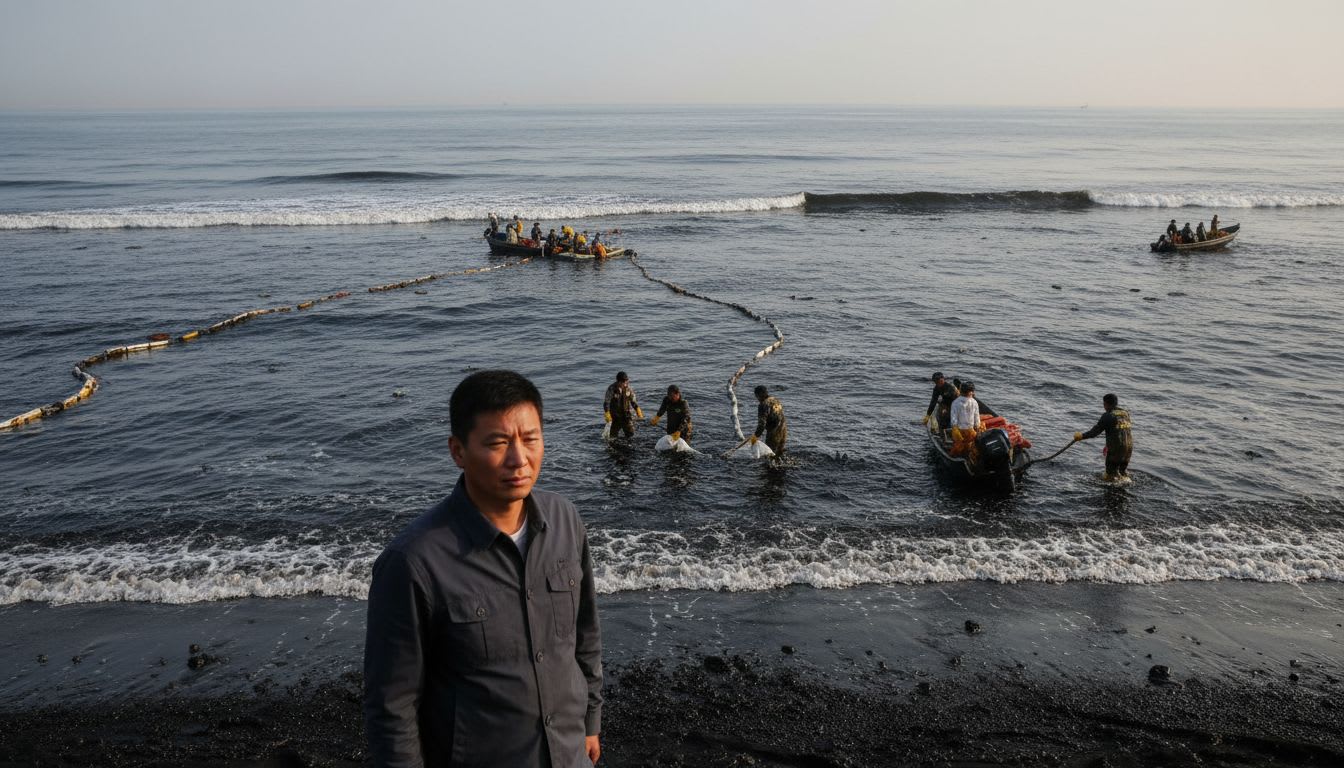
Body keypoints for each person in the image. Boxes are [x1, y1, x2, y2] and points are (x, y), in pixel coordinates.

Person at [364, 370, 603, 767]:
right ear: (457, 451)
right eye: (497, 443)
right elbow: (392, 703)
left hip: (568, 753)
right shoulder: (413, 562)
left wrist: (590, 719)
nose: (519, 459)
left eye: (530, 439)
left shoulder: (565, 521)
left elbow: (585, 632)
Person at [1074, 392, 1133, 481]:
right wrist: (1108, 445)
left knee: (1110, 474)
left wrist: (1081, 436)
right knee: (1122, 472)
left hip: (1116, 450)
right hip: (1129, 448)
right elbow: (1119, 430)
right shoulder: (1125, 413)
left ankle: (1111, 490)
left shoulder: (1108, 415)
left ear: (1105, 404)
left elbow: (1094, 432)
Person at [603, 371, 642, 438]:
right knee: (613, 437)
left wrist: (637, 410)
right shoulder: (611, 389)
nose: (625, 385)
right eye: (623, 383)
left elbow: (633, 401)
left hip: (626, 415)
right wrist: (607, 413)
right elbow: (606, 402)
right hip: (615, 417)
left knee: (630, 434)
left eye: (626, 382)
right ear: (618, 382)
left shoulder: (628, 389)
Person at [752, 384, 787, 455]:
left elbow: (762, 424)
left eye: (756, 396)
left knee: (770, 455)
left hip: (774, 433)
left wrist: (755, 437)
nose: (756, 398)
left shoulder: (763, 405)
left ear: (759, 395)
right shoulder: (775, 399)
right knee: (780, 453)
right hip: (783, 429)